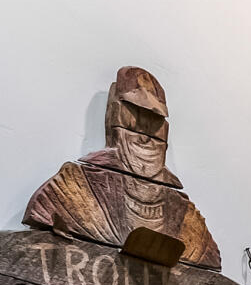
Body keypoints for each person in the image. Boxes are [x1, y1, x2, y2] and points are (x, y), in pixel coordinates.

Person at [24, 66, 222, 268]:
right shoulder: (72, 189)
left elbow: (209, 269)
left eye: (155, 121)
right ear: (116, 117)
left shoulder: (186, 217)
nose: (145, 134)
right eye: (135, 115)